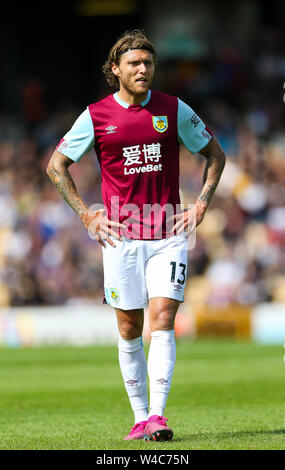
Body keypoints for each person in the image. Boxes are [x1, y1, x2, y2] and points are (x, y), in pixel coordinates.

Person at [46, 29, 226, 441]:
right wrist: (86, 216)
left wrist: (200, 204)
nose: (143, 69)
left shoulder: (174, 109)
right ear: (116, 70)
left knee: (163, 319)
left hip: (168, 234)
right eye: (134, 64)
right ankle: (140, 416)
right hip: (121, 238)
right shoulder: (95, 116)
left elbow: (215, 154)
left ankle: (158, 417)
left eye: (147, 63)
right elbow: (56, 165)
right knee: (129, 328)